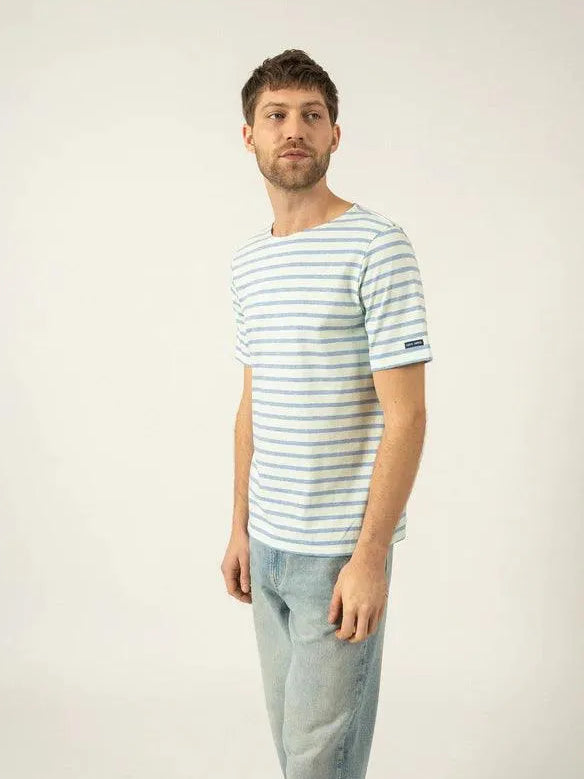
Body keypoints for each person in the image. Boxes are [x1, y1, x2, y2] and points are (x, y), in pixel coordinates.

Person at [220, 48, 434, 779]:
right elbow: (253, 402)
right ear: (248, 134)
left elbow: (407, 416)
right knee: (296, 753)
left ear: (335, 134)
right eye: (276, 115)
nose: (294, 130)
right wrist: (240, 526)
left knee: (319, 764)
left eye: (312, 116)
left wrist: (369, 559)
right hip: (268, 549)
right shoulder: (249, 262)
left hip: (337, 556)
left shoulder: (377, 245)